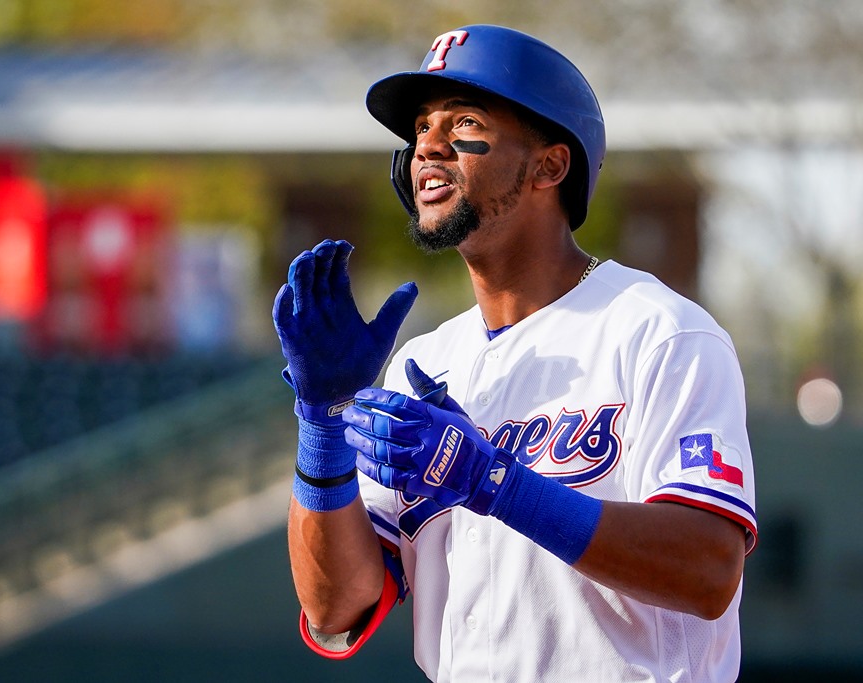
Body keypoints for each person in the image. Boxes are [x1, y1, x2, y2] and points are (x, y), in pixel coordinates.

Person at [273, 24, 757, 683]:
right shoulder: (428, 360)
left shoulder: (658, 331)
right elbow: (335, 606)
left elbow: (708, 570)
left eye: (464, 121)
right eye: (420, 128)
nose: (426, 148)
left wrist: (492, 481)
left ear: (549, 166)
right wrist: (321, 423)